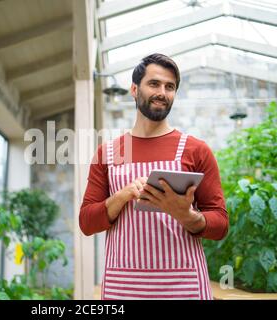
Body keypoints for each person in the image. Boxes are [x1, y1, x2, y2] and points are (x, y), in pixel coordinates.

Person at [79, 53, 228, 300]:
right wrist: (122, 196)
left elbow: (221, 224)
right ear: (134, 89)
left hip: (184, 287)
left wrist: (187, 216)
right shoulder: (109, 152)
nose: (162, 92)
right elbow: (86, 222)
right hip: (124, 287)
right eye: (154, 84)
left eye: (170, 87)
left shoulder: (196, 150)